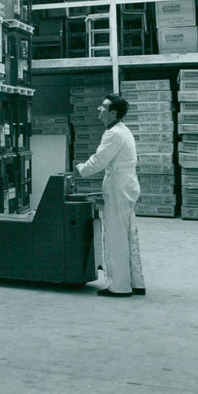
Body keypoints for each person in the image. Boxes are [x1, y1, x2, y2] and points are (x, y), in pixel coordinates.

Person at [74, 94, 145, 297]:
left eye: (103, 106)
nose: (99, 109)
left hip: (118, 186)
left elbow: (99, 161)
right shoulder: (123, 130)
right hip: (128, 185)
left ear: (113, 112)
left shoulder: (114, 133)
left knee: (115, 237)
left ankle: (119, 287)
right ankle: (136, 283)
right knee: (129, 234)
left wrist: (79, 169)